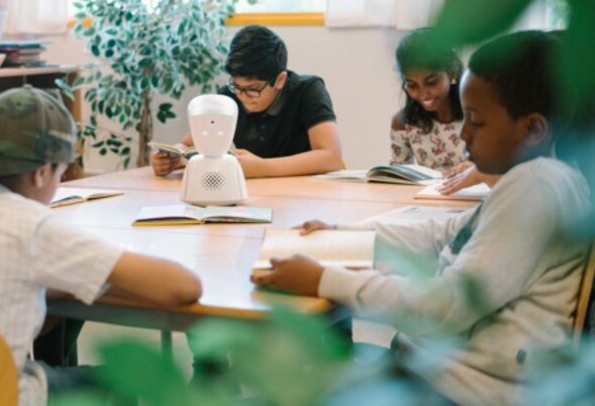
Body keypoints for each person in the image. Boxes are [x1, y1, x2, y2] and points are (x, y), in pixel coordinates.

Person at [252, 31, 592, 404]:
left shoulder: (537, 188)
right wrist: (346, 235)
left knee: (285, 379)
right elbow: (443, 233)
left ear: (533, 129)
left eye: (476, 121)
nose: (463, 134)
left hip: (463, 389)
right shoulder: (538, 179)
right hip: (440, 369)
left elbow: (445, 306)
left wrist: (325, 279)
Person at [0, 86, 202, 405]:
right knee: (126, 377)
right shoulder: (30, 225)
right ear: (42, 172)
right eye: (60, 173)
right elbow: (183, 287)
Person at [151, 25, 343, 178]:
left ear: (280, 80)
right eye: (237, 86)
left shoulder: (308, 90)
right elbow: (188, 144)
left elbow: (330, 156)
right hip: (256, 193)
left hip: (307, 193)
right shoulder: (228, 97)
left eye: (252, 90)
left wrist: (262, 168)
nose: (242, 96)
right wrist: (172, 156)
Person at [390, 28, 498, 194]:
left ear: (452, 71)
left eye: (431, 82)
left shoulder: (480, 114)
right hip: (429, 203)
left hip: (478, 201)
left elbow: (507, 173)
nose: (423, 94)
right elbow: (395, 178)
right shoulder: (403, 122)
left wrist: (479, 171)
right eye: (412, 85)